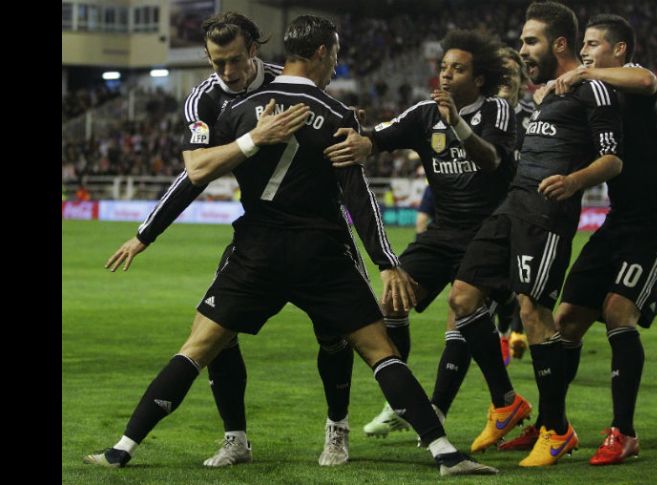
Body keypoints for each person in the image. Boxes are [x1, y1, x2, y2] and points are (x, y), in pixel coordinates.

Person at [85, 15, 497, 477]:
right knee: (379, 350)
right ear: (321, 52)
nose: (336, 64)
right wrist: (385, 261)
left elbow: (195, 175)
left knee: (198, 346)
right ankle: (444, 452)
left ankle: (122, 448)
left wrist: (148, 233)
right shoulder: (336, 115)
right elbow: (359, 199)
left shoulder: (240, 111)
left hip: (257, 250)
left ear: (259, 52)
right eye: (335, 55)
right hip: (322, 251)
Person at [104, 11, 370, 467]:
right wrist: (147, 233)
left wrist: (364, 137)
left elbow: (336, 128)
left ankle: (337, 428)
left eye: (234, 60)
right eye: (217, 63)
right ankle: (235, 439)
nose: (227, 72)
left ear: (254, 50)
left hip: (318, 230)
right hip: (260, 234)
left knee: (335, 334)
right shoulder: (204, 101)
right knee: (217, 332)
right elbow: (195, 173)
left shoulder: (286, 80)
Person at [327, 29, 531, 449]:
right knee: (392, 301)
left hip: (491, 230)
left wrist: (457, 123)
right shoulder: (423, 114)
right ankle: (407, 401)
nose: (446, 74)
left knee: (462, 303)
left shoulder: (496, 110)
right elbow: (377, 139)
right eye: (443, 67)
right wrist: (356, 137)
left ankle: (503, 400)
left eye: (458, 69)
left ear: (479, 79)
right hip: (444, 231)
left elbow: (492, 160)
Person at [447, 0, 624, 467]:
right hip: (512, 206)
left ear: (559, 44)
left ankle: (557, 429)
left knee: (532, 310)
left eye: (531, 41)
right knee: (463, 297)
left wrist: (574, 181)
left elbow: (613, 159)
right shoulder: (543, 94)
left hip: (547, 214)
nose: (523, 49)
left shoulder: (593, 90)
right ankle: (506, 403)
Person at [503, 13, 657, 466]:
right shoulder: (593, 94)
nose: (585, 51)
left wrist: (583, 74)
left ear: (619, 50)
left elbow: (648, 80)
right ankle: (551, 423)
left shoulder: (630, 81)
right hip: (616, 223)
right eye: (582, 45)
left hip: (653, 226)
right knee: (565, 321)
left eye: (594, 44)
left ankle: (624, 433)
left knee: (618, 310)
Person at [494, 46, 535, 364]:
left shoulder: (536, 116)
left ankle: (514, 332)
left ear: (522, 78)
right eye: (501, 72)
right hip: (489, 212)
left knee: (523, 278)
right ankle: (506, 330)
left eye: (512, 72)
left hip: (526, 211)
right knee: (494, 283)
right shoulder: (479, 115)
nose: (507, 78)